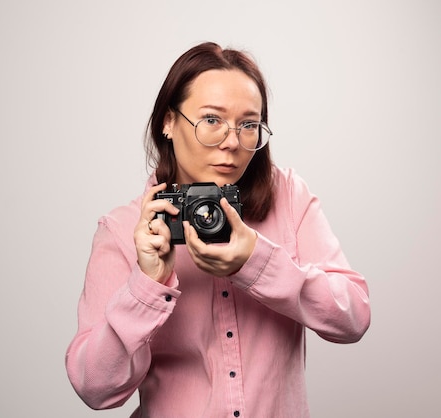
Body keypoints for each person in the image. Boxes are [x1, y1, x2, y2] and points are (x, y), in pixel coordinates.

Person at [65, 41, 371, 417]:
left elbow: (353, 317)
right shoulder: (124, 230)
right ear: (168, 122)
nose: (231, 142)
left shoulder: (288, 197)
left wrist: (256, 261)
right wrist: (146, 284)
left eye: (248, 125)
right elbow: (94, 389)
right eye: (212, 120)